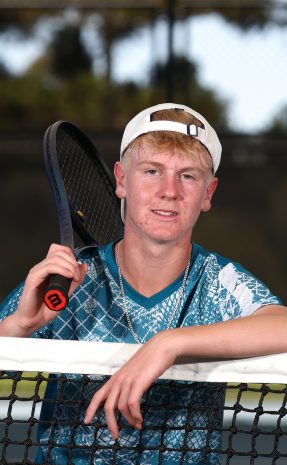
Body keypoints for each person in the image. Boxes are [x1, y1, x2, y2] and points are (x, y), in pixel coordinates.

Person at [0, 102, 286, 465]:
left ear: (209, 193)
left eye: (188, 176)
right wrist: (18, 326)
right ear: (121, 180)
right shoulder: (73, 281)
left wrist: (168, 344)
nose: (169, 190)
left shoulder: (218, 282)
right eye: (152, 171)